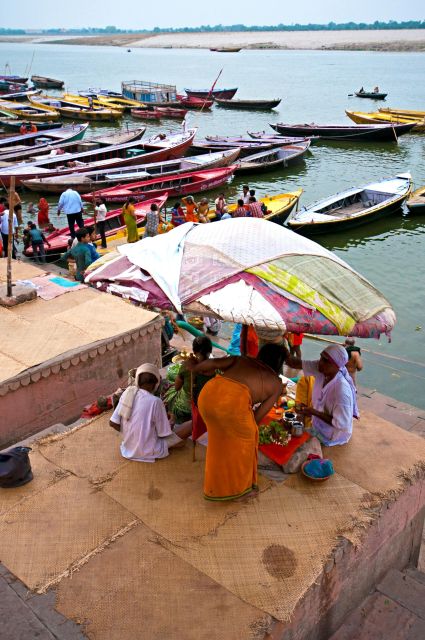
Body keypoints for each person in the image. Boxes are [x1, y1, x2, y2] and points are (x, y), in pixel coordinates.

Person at [186, 343, 287, 501]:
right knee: (246, 441)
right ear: (280, 364)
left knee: (219, 443)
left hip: (207, 397)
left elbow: (212, 364)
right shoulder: (276, 384)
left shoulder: (240, 360)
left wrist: (194, 367)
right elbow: (257, 417)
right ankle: (239, 491)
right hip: (231, 406)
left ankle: (216, 483)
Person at [110, 363, 191, 462]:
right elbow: (164, 434)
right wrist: (172, 420)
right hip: (150, 451)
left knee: (180, 441)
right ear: (156, 383)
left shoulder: (127, 393)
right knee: (191, 425)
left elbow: (113, 423)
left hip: (127, 450)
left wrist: (131, 435)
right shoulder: (156, 401)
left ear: (137, 380)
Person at [288, 344, 359, 447]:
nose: (320, 362)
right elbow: (296, 363)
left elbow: (341, 424)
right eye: (321, 358)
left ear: (337, 365)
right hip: (317, 426)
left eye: (325, 360)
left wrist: (314, 412)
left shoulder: (341, 390)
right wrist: (282, 351)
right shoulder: (322, 370)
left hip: (331, 436)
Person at [165, 335, 213, 425]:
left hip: (185, 409)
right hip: (206, 409)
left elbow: (177, 387)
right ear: (210, 350)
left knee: (168, 390)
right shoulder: (217, 368)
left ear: (194, 351)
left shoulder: (187, 365)